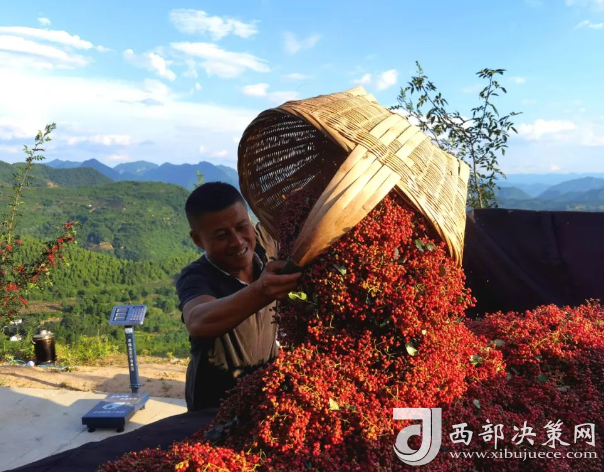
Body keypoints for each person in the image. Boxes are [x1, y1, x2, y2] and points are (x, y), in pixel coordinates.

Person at [176, 182, 301, 411]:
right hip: (214, 405)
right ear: (198, 240)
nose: (237, 241)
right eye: (221, 235)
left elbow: (296, 206)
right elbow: (198, 320)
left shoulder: (266, 246)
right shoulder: (196, 277)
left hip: (267, 391)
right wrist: (260, 291)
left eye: (242, 227)